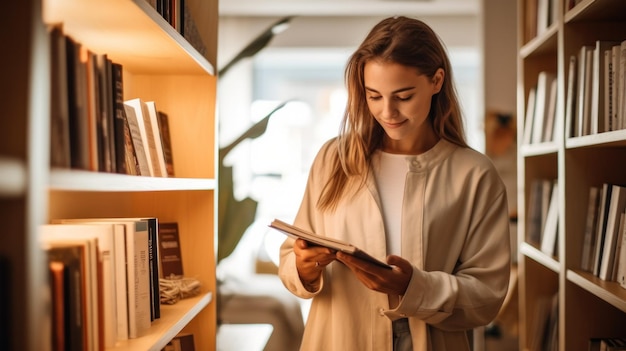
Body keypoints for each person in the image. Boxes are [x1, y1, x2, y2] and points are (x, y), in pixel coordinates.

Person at [278, 16, 511, 351]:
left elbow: (487, 297)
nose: (387, 111)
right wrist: (303, 268)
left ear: (436, 81)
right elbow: (290, 259)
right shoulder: (334, 158)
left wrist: (414, 287)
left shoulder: (474, 174)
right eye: (374, 96)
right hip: (340, 339)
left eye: (403, 96)